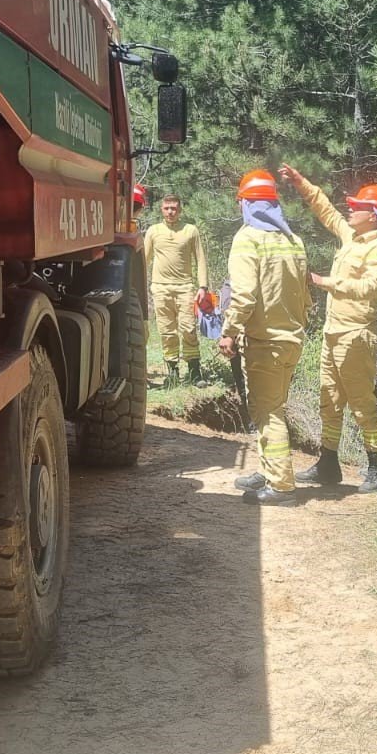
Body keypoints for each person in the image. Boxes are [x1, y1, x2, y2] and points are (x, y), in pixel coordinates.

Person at [279, 164, 377, 494]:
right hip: (333, 334)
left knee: (362, 402)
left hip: (356, 335)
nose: (351, 209)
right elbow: (326, 210)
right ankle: (328, 464)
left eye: (358, 206)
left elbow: (370, 287)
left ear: (374, 216)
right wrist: (301, 182)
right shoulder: (351, 237)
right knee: (329, 400)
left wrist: (323, 282)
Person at [221, 170, 311, 506]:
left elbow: (243, 296)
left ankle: (281, 486)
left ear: (245, 203)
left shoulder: (248, 239)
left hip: (265, 343)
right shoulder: (294, 240)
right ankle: (269, 470)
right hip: (291, 340)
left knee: (268, 411)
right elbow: (305, 296)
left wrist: (228, 331)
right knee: (272, 407)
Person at [141, 194, 209, 387]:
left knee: (188, 328)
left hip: (185, 288)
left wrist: (203, 286)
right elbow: (144, 260)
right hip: (160, 288)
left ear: (180, 210)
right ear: (161, 209)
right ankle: (172, 373)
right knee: (167, 332)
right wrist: (135, 285)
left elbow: (201, 260)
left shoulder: (190, 230)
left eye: (174, 208)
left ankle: (195, 372)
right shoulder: (154, 231)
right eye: (166, 208)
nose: (170, 212)